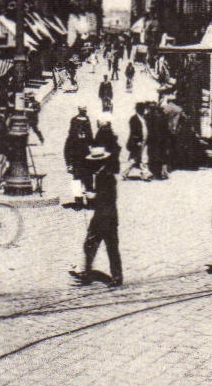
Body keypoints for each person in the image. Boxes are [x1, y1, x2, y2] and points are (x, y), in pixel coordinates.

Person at [70, 146, 123, 288]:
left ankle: (115, 277)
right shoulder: (99, 174)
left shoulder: (106, 176)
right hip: (103, 216)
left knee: (108, 247)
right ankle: (91, 274)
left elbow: (109, 197)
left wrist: (94, 196)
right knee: (93, 245)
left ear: (100, 162)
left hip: (106, 217)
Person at [62, 108, 93, 206]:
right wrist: (69, 164)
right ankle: (79, 201)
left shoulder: (88, 139)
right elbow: (67, 151)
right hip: (76, 161)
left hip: (87, 161)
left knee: (88, 180)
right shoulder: (72, 139)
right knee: (77, 181)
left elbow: (92, 144)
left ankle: (90, 200)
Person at [145, 97, 170, 180]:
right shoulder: (163, 116)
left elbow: (148, 129)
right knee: (162, 156)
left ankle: (156, 173)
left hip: (153, 140)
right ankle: (161, 173)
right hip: (162, 139)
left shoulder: (148, 117)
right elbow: (166, 129)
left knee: (153, 156)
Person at [124, 103, 148, 179]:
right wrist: (137, 141)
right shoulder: (133, 119)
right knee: (135, 158)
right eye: (142, 109)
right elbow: (133, 131)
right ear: (138, 109)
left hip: (144, 140)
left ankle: (145, 174)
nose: (143, 110)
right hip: (137, 142)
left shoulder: (143, 117)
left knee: (142, 157)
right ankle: (125, 172)